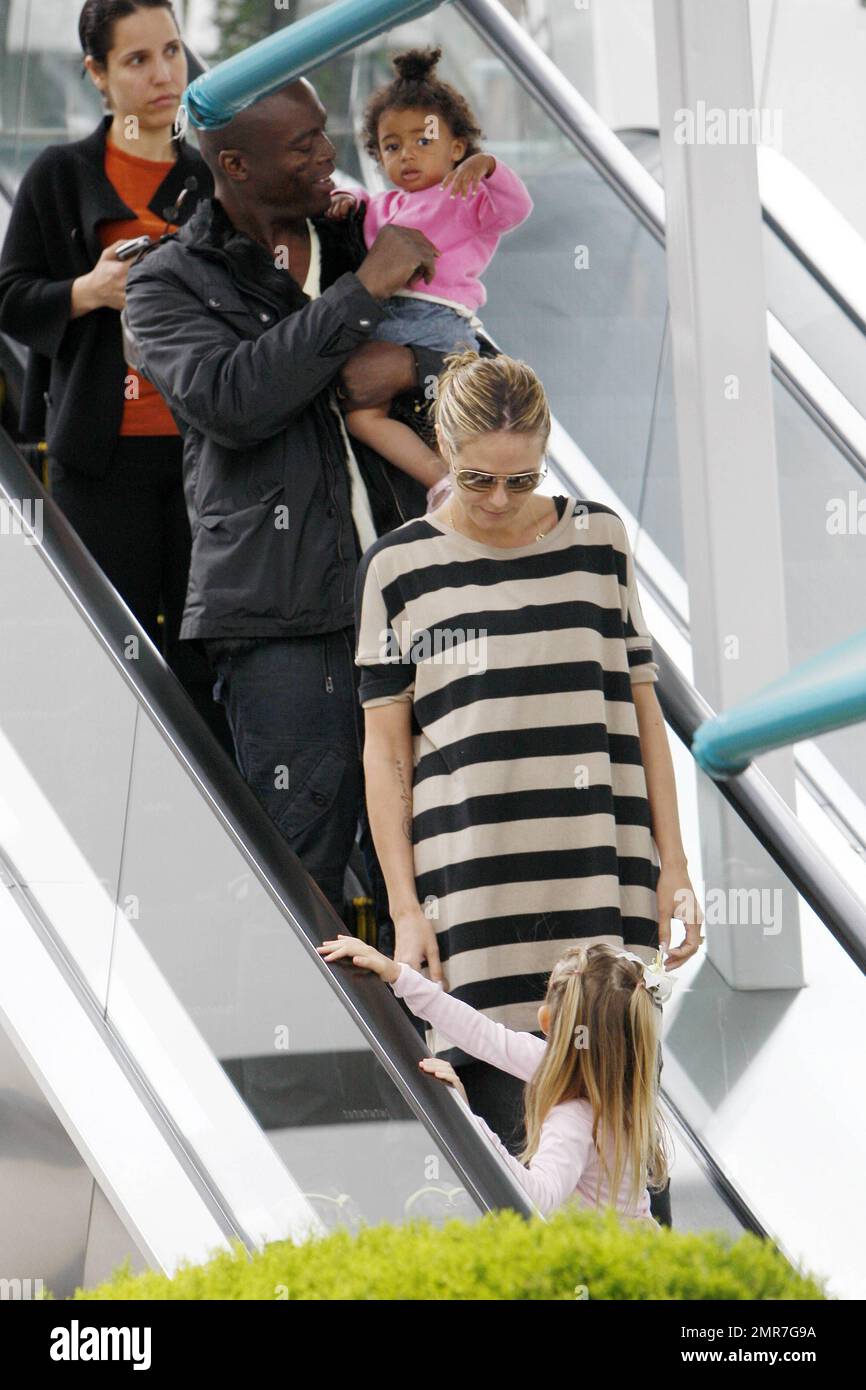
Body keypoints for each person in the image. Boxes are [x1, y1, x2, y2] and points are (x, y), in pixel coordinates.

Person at [353, 350, 704, 1224]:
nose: (500, 499)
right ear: (440, 443)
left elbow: (642, 715)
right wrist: (404, 905)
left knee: (625, 1173)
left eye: (522, 478)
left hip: (601, 887)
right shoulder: (397, 570)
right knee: (516, 1192)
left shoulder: (601, 542)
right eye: (476, 478)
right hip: (471, 898)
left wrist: (676, 863)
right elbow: (385, 754)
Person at [122, 78, 460, 922]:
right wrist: (361, 299)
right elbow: (234, 401)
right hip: (280, 619)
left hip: (416, 599)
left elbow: (477, 358)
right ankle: (330, 1054)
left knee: (438, 857)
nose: (329, 155)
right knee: (303, 868)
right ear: (234, 164)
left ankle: (454, 1052)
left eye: (323, 133)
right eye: (302, 145)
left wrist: (414, 368)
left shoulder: (359, 235)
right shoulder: (167, 283)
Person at [0, 0, 226, 745]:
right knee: (108, 650)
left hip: (206, 456)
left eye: (171, 50)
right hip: (101, 454)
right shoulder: (60, 174)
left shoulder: (213, 177)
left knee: (207, 654)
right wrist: (86, 291)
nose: (164, 73)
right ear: (97, 75)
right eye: (136, 60)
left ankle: (223, 830)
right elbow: (10, 294)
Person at [318, 934, 674, 1222]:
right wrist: (398, 975)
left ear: (547, 1022)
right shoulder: (609, 1083)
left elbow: (537, 1200)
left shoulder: (575, 1119)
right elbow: (481, 1034)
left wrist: (468, 1117)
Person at [328, 46, 532, 490]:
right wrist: (348, 202)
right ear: (378, 157)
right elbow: (365, 211)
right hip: (386, 319)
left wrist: (489, 167)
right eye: (392, 146)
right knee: (363, 416)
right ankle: (441, 483)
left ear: (456, 147)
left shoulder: (467, 193)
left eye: (424, 141)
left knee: (460, 416)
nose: (407, 155)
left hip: (439, 322)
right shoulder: (384, 203)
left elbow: (517, 209)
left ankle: (481, 483)